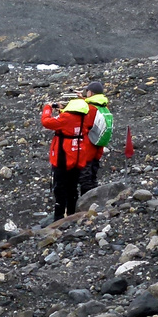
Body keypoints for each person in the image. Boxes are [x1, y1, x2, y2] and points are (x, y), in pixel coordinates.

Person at [40, 93, 97, 221]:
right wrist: (62, 109)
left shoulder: (65, 118)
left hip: (62, 159)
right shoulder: (85, 118)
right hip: (78, 158)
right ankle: (72, 214)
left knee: (59, 189)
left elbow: (46, 122)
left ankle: (59, 217)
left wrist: (48, 108)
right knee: (72, 188)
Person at [77, 79, 113, 198]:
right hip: (98, 145)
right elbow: (92, 108)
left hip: (88, 146)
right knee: (93, 174)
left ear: (91, 93)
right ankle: (95, 200)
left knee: (85, 177)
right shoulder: (103, 105)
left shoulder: (89, 108)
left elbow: (84, 121)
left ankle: (86, 202)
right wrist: (82, 99)